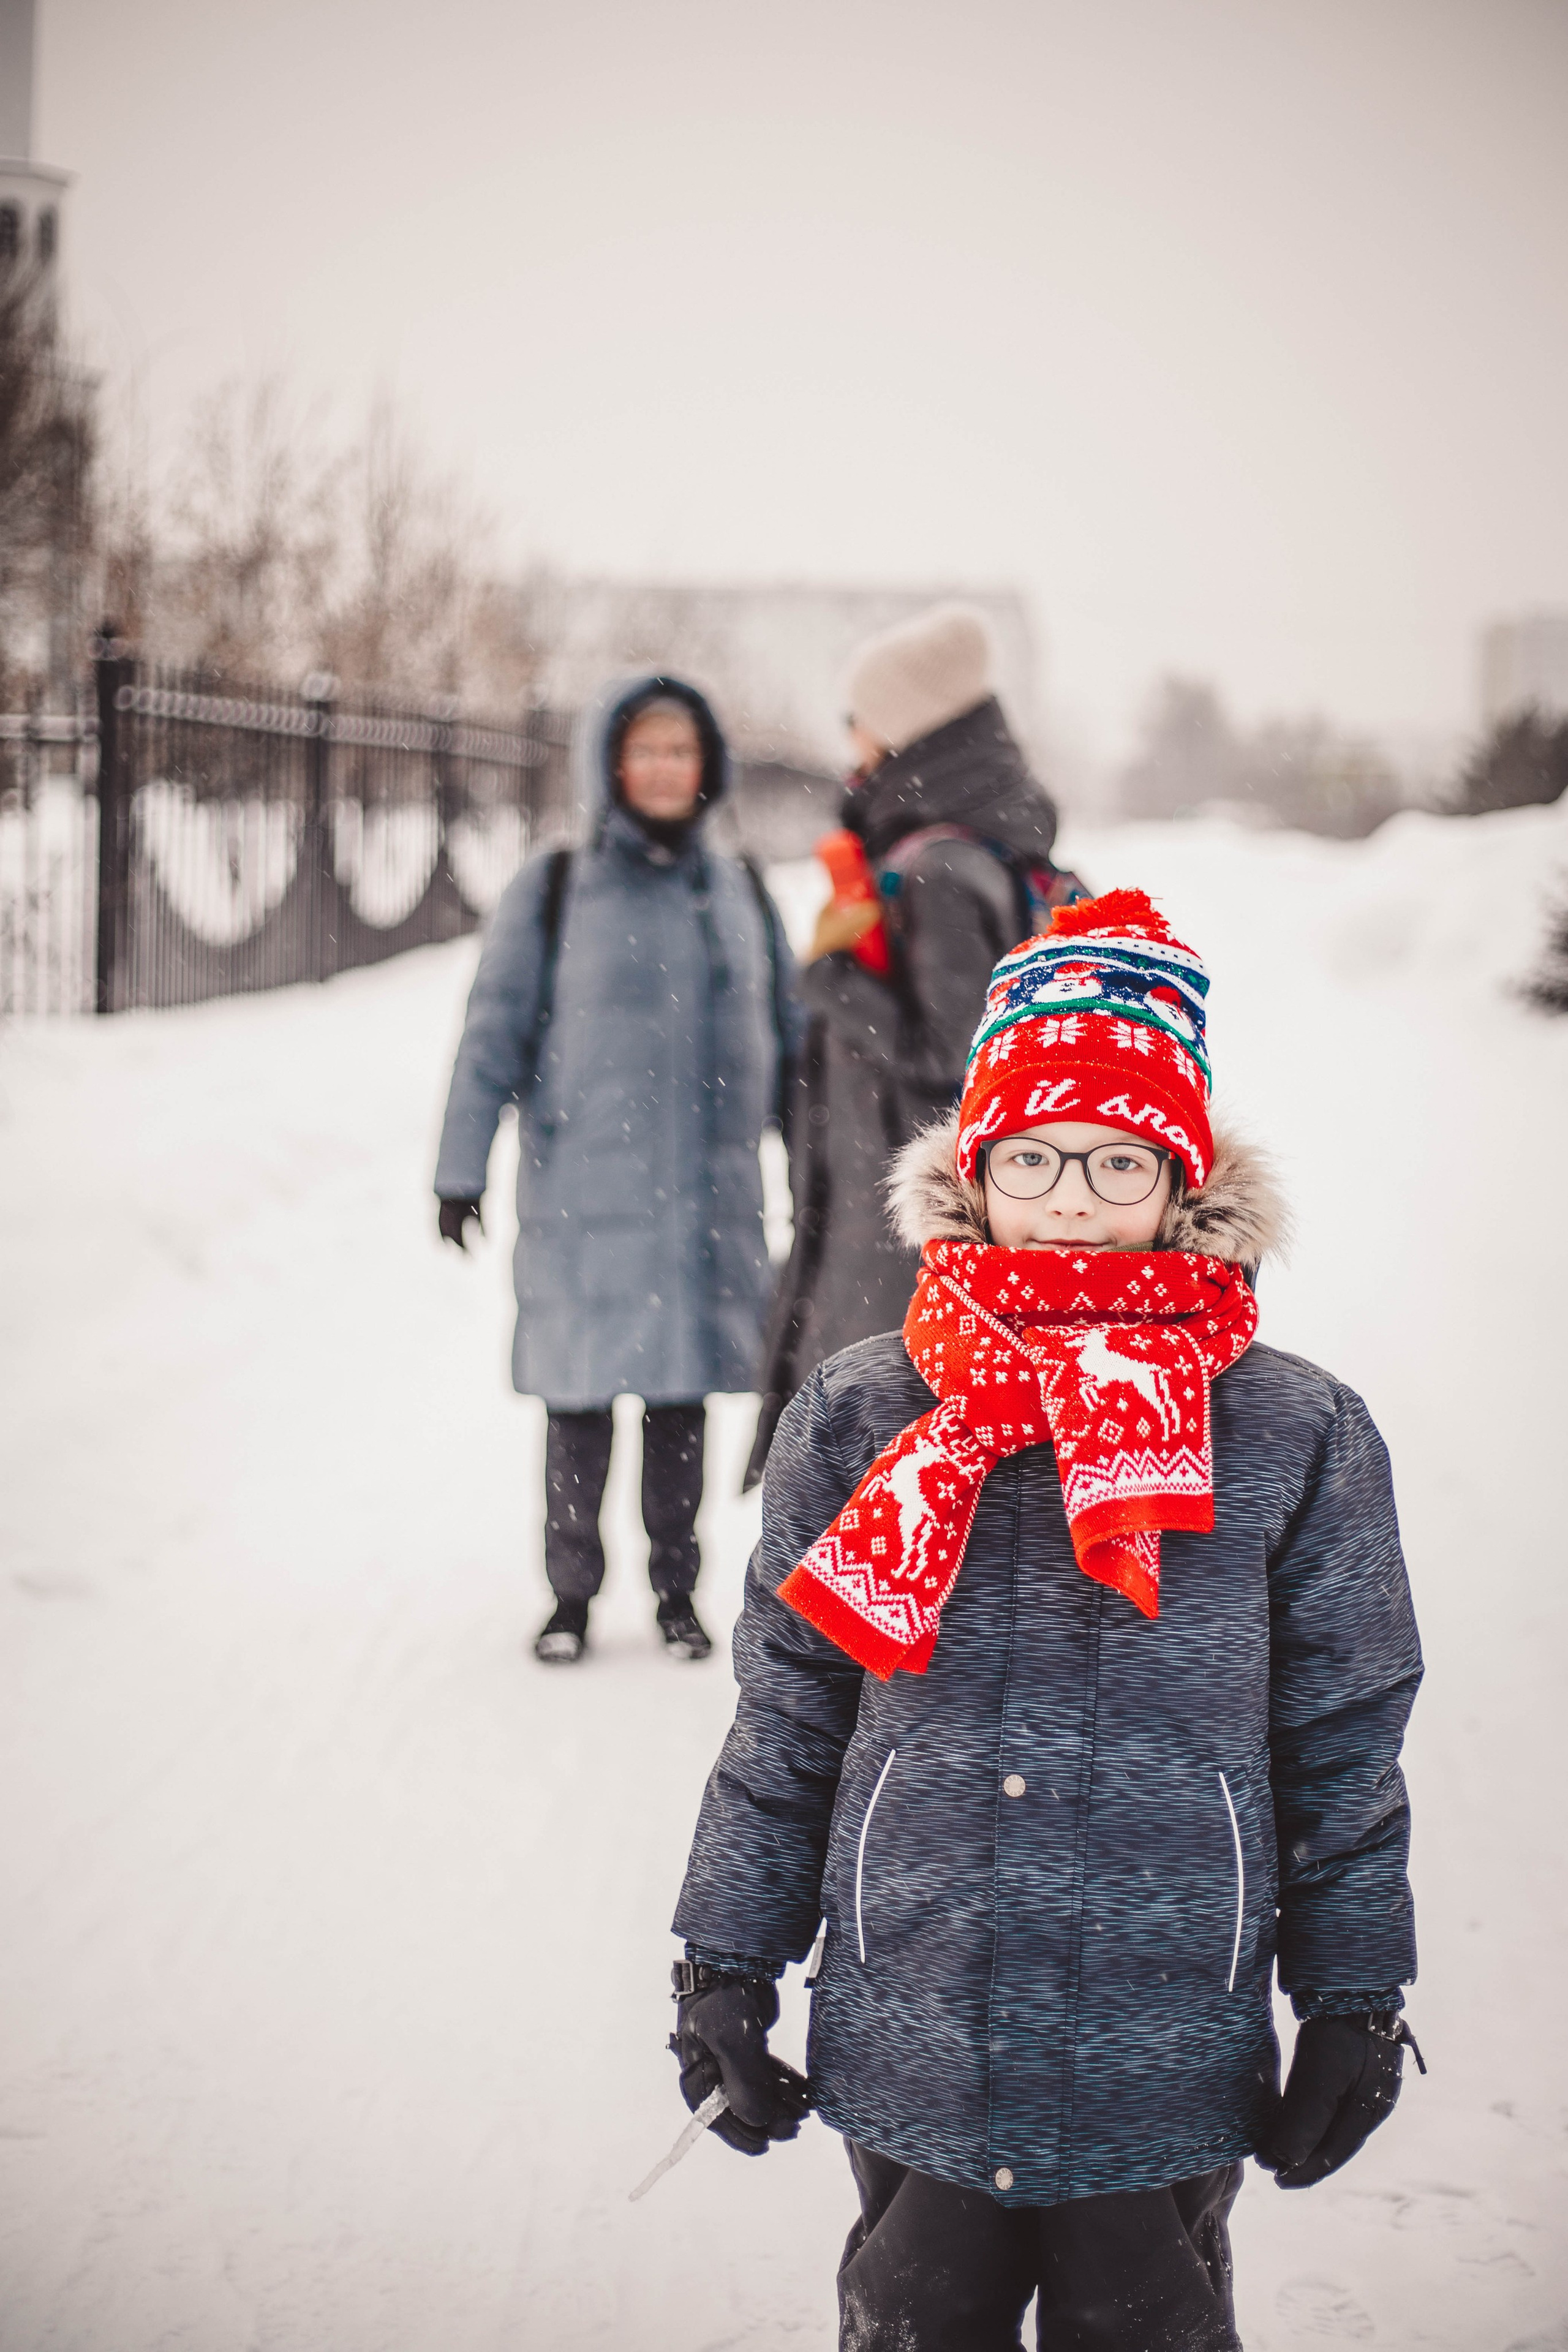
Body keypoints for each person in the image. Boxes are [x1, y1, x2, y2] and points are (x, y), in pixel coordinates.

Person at [668, 889, 1423, 2350]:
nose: (1068, 1198)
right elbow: (788, 1719)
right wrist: (720, 1964)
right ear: (971, 1169)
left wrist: (1353, 1993)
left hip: (1165, 2053)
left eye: (1114, 1159)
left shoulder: (1289, 1432)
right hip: (914, 2032)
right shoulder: (865, 1409)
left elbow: (1340, 1743)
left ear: (1182, 1178)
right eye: (1029, 1155)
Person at [434, 674, 797, 1666]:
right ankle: (571, 1597)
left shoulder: (742, 888)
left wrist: (818, 1173)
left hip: (705, 1205)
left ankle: (678, 1593)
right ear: (613, 763)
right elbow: (492, 1033)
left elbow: (792, 1046)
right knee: (582, 1410)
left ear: (707, 765)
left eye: (682, 751)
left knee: (682, 1408)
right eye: (647, 750)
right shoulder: (555, 889)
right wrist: (458, 1167)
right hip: (585, 1199)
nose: (666, 768)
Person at [750, 602, 1065, 1482]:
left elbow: (953, 1058)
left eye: (860, 722)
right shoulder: (981, 850)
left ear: (905, 731)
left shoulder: (936, 871)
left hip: (900, 1219)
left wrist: (832, 979)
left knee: (880, 1453)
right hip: (915, 1212)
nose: (850, 743)